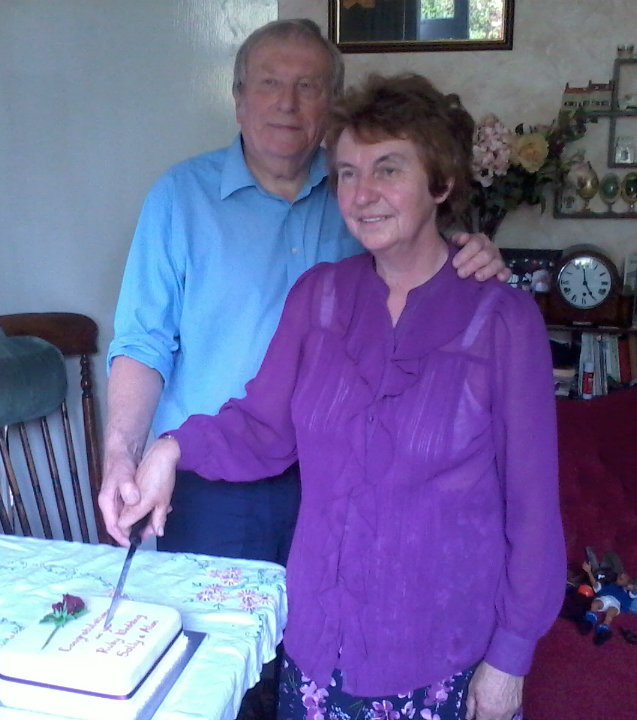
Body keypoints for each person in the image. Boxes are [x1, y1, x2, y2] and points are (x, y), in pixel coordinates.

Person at [114, 73, 564, 720]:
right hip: (319, 649)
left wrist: (510, 662)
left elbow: (532, 510)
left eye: (388, 169)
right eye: (348, 174)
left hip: (442, 654)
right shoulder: (319, 297)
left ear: (439, 184)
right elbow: (263, 430)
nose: (362, 194)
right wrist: (168, 448)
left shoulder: (501, 320)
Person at [98, 19, 508, 566]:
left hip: (344, 478)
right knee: (217, 642)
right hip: (212, 474)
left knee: (325, 643)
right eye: (268, 83)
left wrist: (469, 254)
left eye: (308, 86)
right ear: (239, 99)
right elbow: (143, 343)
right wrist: (120, 453)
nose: (287, 103)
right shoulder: (178, 199)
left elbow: (423, 270)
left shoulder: (366, 199)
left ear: (333, 105)